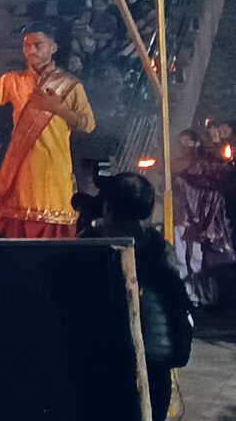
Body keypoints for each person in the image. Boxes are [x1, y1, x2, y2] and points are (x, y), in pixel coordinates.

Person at [0, 23, 96, 238]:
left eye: (37, 45)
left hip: (54, 171)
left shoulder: (70, 85)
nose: (31, 50)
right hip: (23, 173)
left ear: (53, 47)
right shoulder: (13, 81)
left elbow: (88, 124)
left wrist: (57, 108)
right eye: (27, 45)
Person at [75, 172, 192, 421]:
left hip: (104, 364)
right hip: (157, 364)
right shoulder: (161, 249)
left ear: (108, 206)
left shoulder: (90, 247)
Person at [172, 129, 233, 307]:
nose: (183, 146)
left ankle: (198, 296)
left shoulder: (207, 162)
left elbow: (220, 171)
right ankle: (187, 295)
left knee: (196, 258)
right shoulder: (176, 163)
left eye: (187, 142)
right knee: (180, 256)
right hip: (180, 214)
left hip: (200, 217)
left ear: (196, 143)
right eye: (180, 142)